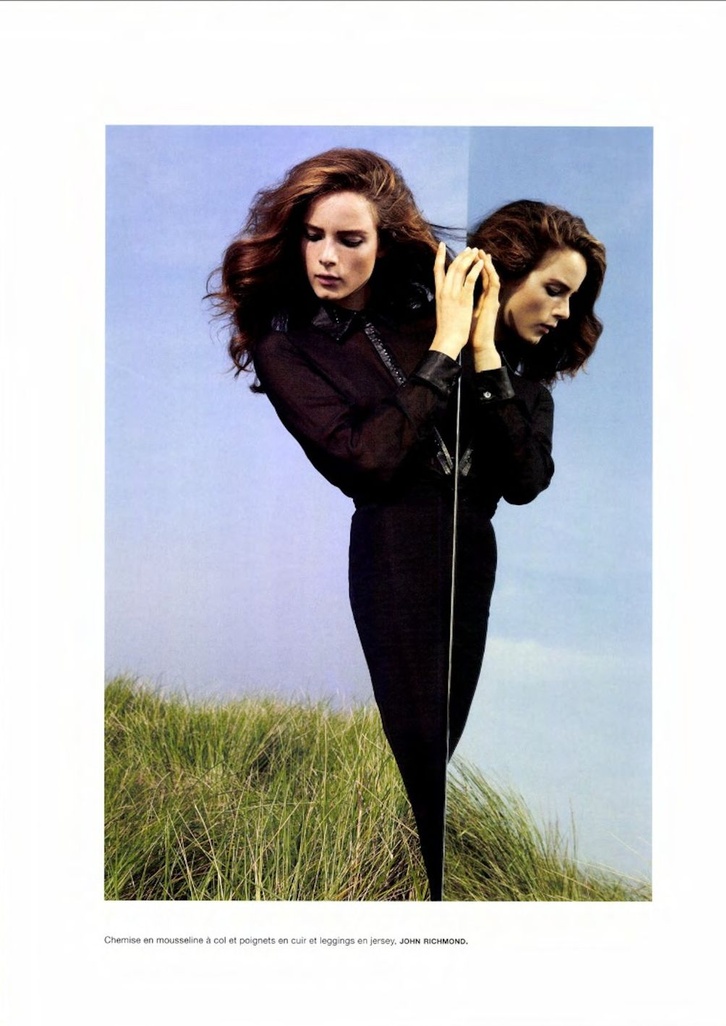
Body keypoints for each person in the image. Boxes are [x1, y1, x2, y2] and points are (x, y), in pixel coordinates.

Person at [210, 150, 606, 900]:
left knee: (446, 735)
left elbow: (524, 481)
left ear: (383, 241)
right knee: (415, 736)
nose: (327, 256)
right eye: (314, 236)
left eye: (349, 239)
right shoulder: (286, 346)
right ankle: (396, 891)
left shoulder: (441, 318)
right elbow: (367, 460)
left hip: (474, 551)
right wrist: (446, 349)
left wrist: (479, 350)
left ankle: (416, 887)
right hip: (393, 545)